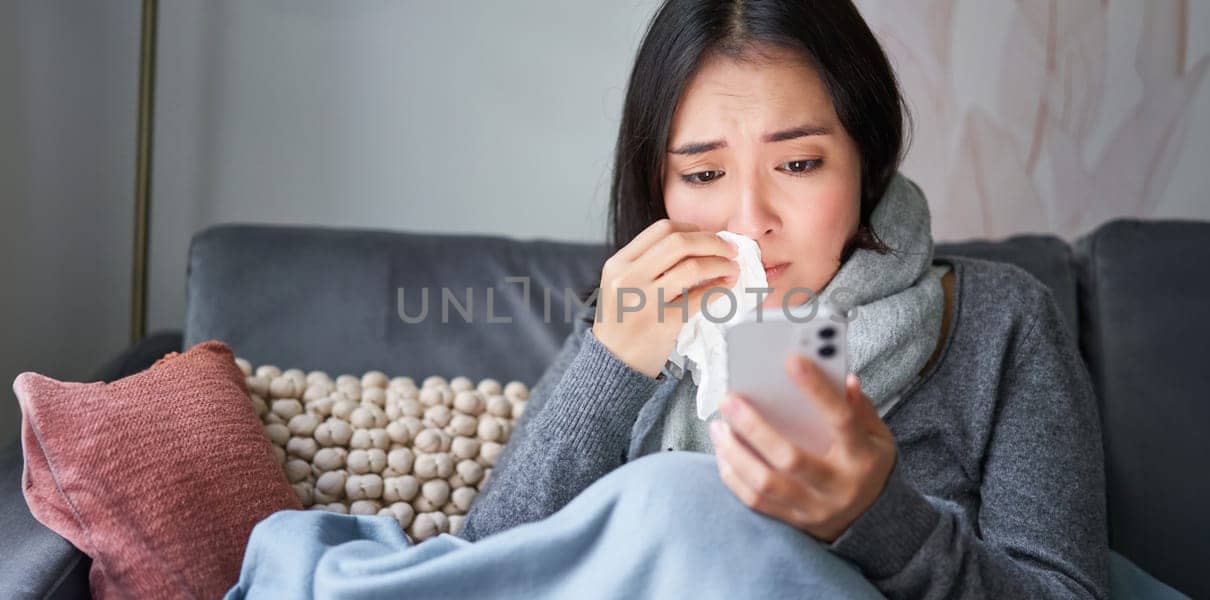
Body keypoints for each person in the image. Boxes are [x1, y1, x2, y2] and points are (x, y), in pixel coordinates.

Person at [460, 0, 1109, 597]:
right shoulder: (633, 320)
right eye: (705, 174)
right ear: (660, 184)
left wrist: (879, 517)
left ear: (867, 158)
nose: (750, 220)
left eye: (798, 164)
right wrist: (613, 361)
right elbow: (480, 567)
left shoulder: (1000, 322)